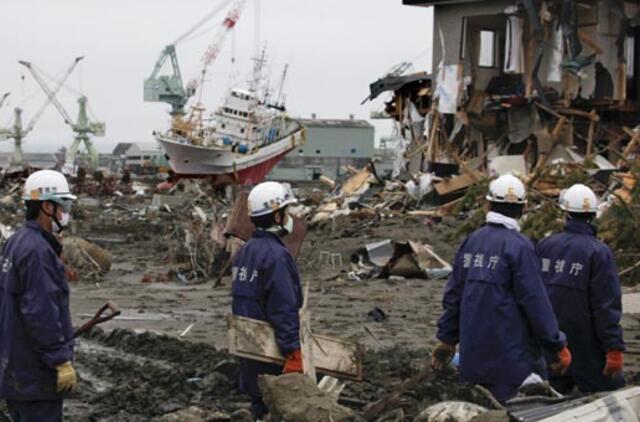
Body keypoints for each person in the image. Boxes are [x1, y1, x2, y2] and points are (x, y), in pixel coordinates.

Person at [432, 174, 571, 403]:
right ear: (523, 208)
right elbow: (535, 303)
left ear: (488, 204)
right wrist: (556, 344)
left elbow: (454, 295)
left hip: (473, 359)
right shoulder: (520, 247)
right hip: (512, 363)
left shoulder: (471, 242)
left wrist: (447, 339)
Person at [0, 170, 78, 422]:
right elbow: (40, 310)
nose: (66, 212)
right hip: (35, 373)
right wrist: (60, 361)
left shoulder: (16, 242)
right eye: (63, 204)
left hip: (15, 367)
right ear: (47, 206)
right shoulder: (37, 251)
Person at [537, 184, 625, 394]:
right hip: (589, 349)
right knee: (606, 402)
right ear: (593, 215)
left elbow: (532, 296)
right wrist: (614, 348)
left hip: (552, 343)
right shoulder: (599, 252)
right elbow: (606, 305)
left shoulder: (545, 245)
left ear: (565, 213)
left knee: (548, 406)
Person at [232, 182, 304, 420]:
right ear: (277, 215)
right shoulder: (276, 256)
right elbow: (283, 307)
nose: (290, 216)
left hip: (249, 346)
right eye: (286, 211)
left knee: (258, 406)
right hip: (273, 353)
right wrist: (293, 352)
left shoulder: (246, 251)